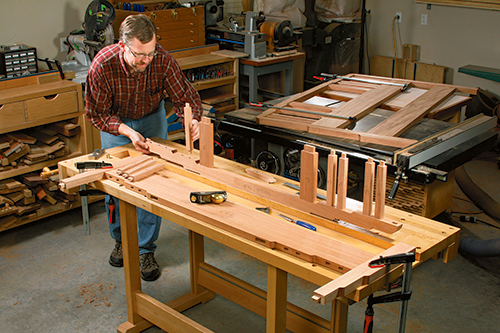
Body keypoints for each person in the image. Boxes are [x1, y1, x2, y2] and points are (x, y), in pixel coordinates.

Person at [85, 14, 203, 281]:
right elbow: (97, 114)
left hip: (151, 119)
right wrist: (127, 131)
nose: (146, 61)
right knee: (116, 187)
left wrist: (193, 119)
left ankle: (145, 249)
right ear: (122, 45)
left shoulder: (161, 59)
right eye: (139, 54)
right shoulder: (103, 65)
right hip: (117, 124)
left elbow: (187, 97)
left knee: (153, 187)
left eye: (150, 54)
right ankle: (121, 240)